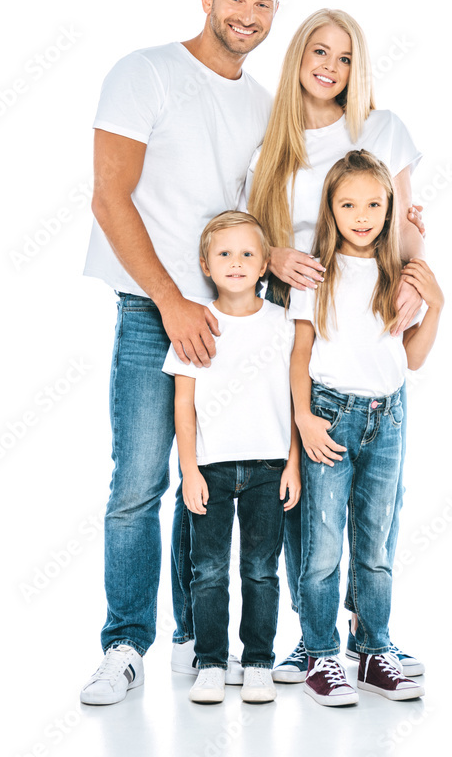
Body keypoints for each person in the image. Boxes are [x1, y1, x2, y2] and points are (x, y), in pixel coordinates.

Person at [79, 0, 285, 706]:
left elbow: (264, 216)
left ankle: (193, 637)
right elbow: (109, 199)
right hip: (151, 310)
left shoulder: (263, 105)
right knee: (138, 481)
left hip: (229, 317)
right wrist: (170, 301)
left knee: (209, 477)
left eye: (262, 5)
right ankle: (123, 644)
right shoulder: (144, 74)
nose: (247, 17)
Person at [244, 9, 427, 681]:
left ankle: (364, 637)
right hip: (295, 327)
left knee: (373, 521)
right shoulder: (272, 150)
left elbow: (406, 224)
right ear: (296, 58)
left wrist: (419, 279)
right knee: (304, 501)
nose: (330, 66)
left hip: (368, 326)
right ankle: (313, 639)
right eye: (318, 52)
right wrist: (272, 254)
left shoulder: (381, 130)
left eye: (345, 57)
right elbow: (247, 237)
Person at [289, 150, 444, 706]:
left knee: (376, 544)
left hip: (389, 417)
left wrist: (437, 305)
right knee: (324, 545)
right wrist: (304, 417)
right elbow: (300, 352)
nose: (362, 215)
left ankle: (374, 648)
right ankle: (319, 652)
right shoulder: (317, 273)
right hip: (330, 417)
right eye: (348, 203)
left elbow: (413, 359)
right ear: (330, 208)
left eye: (374, 204)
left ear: (391, 209)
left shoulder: (396, 275)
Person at [163, 212, 300, 704]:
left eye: (247, 254)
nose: (236, 262)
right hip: (212, 469)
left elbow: (293, 397)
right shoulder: (194, 323)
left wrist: (293, 464)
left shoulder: (284, 324)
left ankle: (259, 661)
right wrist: (190, 471)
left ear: (266, 264)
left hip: (267, 467)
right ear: (205, 263)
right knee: (209, 570)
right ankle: (212, 662)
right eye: (224, 254)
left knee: (262, 568)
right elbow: (183, 404)